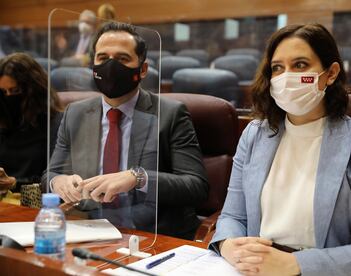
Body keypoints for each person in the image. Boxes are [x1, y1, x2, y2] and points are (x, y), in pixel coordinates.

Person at [209, 23, 351, 275]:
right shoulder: (254, 134)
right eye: (277, 68)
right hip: (255, 268)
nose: (286, 77)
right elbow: (232, 216)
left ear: (330, 74)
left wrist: (296, 264)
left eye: (300, 65)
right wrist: (228, 245)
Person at [45, 22, 208, 240]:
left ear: (142, 70)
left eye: (122, 59)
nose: (111, 66)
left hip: (152, 235)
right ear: (92, 67)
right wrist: (59, 183)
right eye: (103, 58)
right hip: (88, 229)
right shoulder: (75, 113)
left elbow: (196, 186)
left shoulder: (171, 114)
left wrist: (138, 178)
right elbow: (51, 174)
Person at [0, 53, 62, 195]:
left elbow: (55, 180)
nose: (9, 97)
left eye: (15, 91)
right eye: (3, 92)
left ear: (33, 90)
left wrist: (14, 183)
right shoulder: (5, 122)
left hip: (36, 202)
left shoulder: (54, 124)